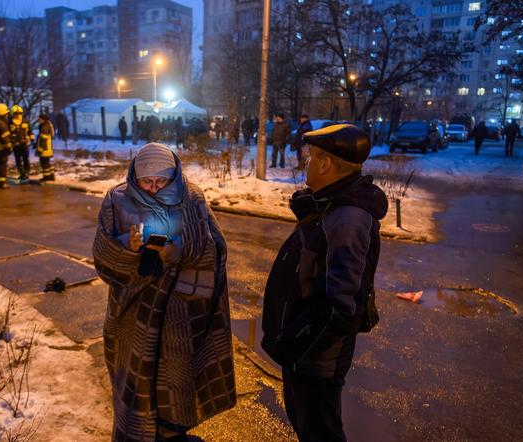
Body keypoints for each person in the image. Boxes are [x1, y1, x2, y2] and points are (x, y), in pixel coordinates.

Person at [93, 143, 236, 441]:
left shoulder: (192, 197)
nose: (154, 188)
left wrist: (176, 251)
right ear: (134, 177)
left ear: (175, 176)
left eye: (162, 181)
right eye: (146, 182)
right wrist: (127, 247)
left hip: (179, 317)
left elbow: (215, 247)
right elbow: (102, 255)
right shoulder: (117, 200)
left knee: (176, 384)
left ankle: (172, 434)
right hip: (134, 315)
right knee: (136, 387)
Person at [261, 124, 387, 442]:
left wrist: (297, 343)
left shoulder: (347, 220)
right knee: (310, 427)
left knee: (320, 432)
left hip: (316, 360)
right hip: (308, 355)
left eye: (311, 157)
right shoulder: (330, 207)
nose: (306, 163)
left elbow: (340, 305)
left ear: (327, 164)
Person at [9, 105, 34, 184]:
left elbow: (30, 131)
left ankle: (26, 173)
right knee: (18, 160)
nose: (18, 115)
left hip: (25, 144)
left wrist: (32, 139)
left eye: (20, 113)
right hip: (15, 145)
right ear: (13, 114)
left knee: (26, 159)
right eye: (16, 113)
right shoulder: (10, 123)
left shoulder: (25, 122)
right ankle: (21, 173)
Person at [36, 114, 55, 182]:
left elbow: (43, 139)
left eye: (39, 119)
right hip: (47, 148)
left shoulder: (45, 127)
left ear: (43, 119)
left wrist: (40, 149)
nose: (38, 120)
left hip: (44, 149)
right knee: (47, 163)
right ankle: (51, 176)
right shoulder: (46, 125)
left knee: (44, 163)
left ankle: (46, 177)